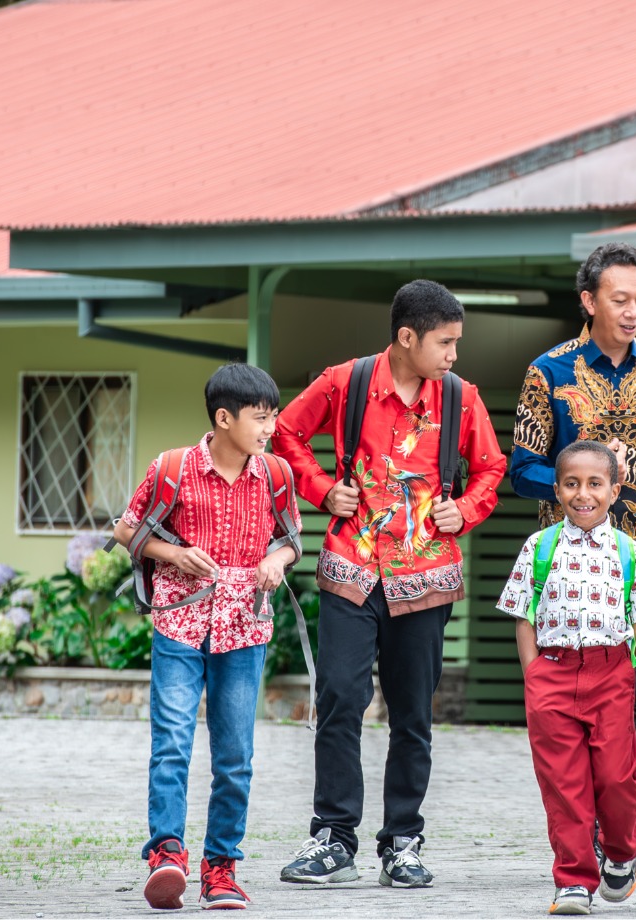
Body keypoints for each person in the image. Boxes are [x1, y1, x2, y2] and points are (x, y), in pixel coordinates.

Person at [273, 280, 507, 889]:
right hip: (351, 568)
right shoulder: (345, 382)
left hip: (426, 575)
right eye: (446, 342)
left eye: (458, 342)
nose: (455, 353)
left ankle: (402, 841)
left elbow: (491, 468)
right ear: (407, 338)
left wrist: (469, 509)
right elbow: (285, 434)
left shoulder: (461, 397)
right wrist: (322, 489)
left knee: (412, 715)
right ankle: (333, 837)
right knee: (341, 701)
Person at [511, 241, 636, 781]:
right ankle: (585, 821)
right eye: (620, 299)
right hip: (570, 562)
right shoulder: (547, 372)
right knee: (576, 697)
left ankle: (622, 839)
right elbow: (522, 471)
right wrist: (577, 480)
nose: (633, 312)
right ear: (588, 300)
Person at [118, 363, 302, 911]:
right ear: (224, 418)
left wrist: (277, 558)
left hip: (245, 627)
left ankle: (220, 869)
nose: (269, 428)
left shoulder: (277, 475)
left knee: (236, 755)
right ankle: (166, 856)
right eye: (260, 418)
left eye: (273, 417)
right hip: (178, 622)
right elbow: (126, 529)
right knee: (172, 743)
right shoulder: (172, 468)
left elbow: (291, 538)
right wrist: (174, 554)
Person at [497, 441, 636, 915]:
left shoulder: (629, 551)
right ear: (556, 490)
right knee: (563, 783)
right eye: (571, 484)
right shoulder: (540, 546)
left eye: (595, 484)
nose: (582, 494)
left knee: (617, 778)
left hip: (612, 672)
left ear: (614, 490)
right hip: (552, 674)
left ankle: (620, 851)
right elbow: (524, 616)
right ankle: (572, 879)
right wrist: (534, 676)